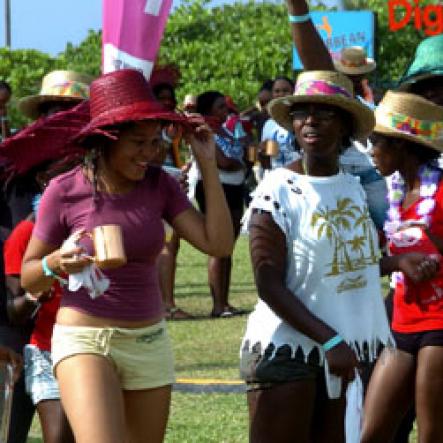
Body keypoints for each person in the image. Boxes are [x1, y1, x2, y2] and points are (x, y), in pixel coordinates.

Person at [20, 68, 234, 443]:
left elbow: (218, 245)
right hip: (85, 338)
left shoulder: (160, 185)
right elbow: (29, 275)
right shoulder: (64, 190)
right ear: (106, 139)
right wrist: (56, 263)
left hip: (149, 340)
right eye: (138, 142)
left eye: (155, 142)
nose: (150, 153)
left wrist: (209, 165)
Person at [239, 70, 431, 443]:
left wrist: (394, 263)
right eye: (301, 112)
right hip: (291, 353)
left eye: (324, 113)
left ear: (345, 127)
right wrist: (329, 341)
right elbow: (267, 281)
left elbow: (350, 263)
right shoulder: (278, 187)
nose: (310, 120)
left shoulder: (353, 187)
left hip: (345, 355)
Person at [0, 71, 91, 443]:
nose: (59, 118)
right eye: (52, 109)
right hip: (12, 301)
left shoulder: (92, 167)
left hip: (68, 316)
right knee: (9, 423)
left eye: (70, 110)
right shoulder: (14, 168)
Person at [360, 93, 443, 443]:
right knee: (372, 433)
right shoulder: (387, 194)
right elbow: (367, 262)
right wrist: (398, 263)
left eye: (376, 142)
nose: (371, 150)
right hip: (401, 319)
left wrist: (435, 245)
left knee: (431, 435)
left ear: (401, 146)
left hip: (440, 321)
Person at [4, 158, 79, 443]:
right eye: (66, 174)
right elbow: (15, 310)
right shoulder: (23, 236)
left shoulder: (87, 225)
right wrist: (36, 295)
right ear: (45, 180)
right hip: (47, 351)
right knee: (59, 435)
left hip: (95, 345)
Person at [194, 90, 248, 317]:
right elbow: (223, 162)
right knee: (219, 245)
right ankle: (218, 305)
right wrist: (240, 164)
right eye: (220, 107)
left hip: (234, 188)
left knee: (228, 246)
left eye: (225, 107)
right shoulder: (203, 130)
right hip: (216, 189)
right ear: (207, 111)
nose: (225, 111)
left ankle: (225, 303)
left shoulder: (226, 130)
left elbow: (240, 153)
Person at [152, 79, 193, 320]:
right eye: (162, 97)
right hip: (158, 179)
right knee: (166, 244)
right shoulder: (152, 125)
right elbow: (153, 156)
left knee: (171, 244)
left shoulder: (171, 124)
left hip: (173, 177)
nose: (167, 102)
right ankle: (166, 305)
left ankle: (165, 302)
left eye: (170, 97)